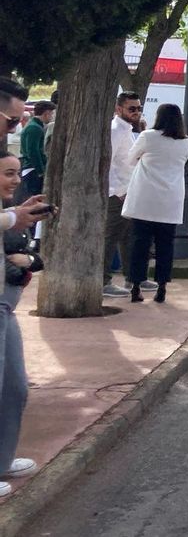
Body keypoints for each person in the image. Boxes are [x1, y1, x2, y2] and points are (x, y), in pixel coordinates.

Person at [0, 150, 45, 498]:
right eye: (8, 173)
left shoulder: (7, 213)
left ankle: (2, 460)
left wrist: (17, 215)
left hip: (7, 307)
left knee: (14, 387)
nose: (15, 180)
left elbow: (31, 257)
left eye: (17, 173)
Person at [121, 103, 188, 303]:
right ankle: (162, 286)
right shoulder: (185, 141)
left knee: (139, 244)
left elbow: (130, 159)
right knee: (165, 245)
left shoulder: (148, 136)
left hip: (145, 197)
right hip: (170, 199)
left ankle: (136, 286)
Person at [105, 92, 140, 297]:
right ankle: (103, 281)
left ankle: (132, 278)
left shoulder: (126, 130)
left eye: (138, 108)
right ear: (119, 109)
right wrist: (117, 191)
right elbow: (107, 163)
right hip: (117, 194)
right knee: (111, 237)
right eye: (131, 108)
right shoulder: (116, 130)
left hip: (127, 192)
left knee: (128, 237)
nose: (136, 112)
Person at [16, 100, 50, 199]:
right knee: (36, 198)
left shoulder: (33, 125)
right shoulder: (35, 128)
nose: (52, 116)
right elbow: (33, 151)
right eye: (51, 113)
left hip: (30, 168)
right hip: (32, 169)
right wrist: (40, 171)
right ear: (46, 113)